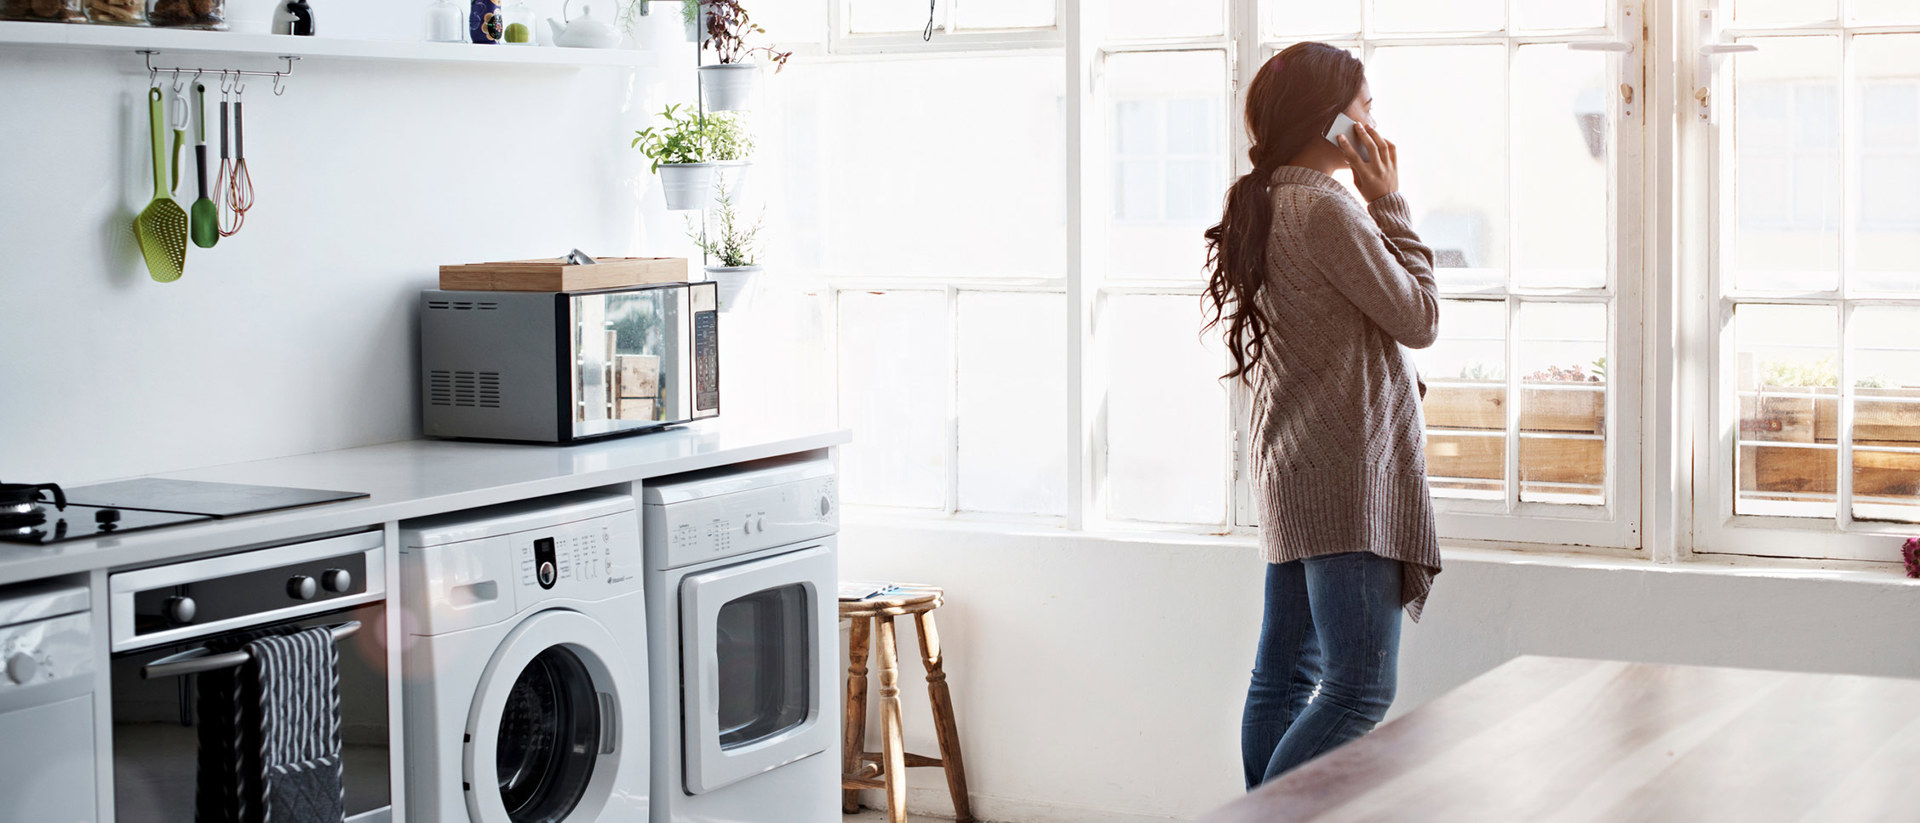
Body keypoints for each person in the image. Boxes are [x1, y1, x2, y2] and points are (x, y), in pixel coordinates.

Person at [1201, 41, 1443, 789]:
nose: (1374, 124)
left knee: (1286, 672)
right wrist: (1391, 202)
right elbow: (1420, 316)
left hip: (1295, 463)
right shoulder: (1326, 207)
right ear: (1332, 120)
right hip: (1344, 479)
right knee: (1359, 685)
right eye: (1365, 107)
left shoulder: (1266, 197)